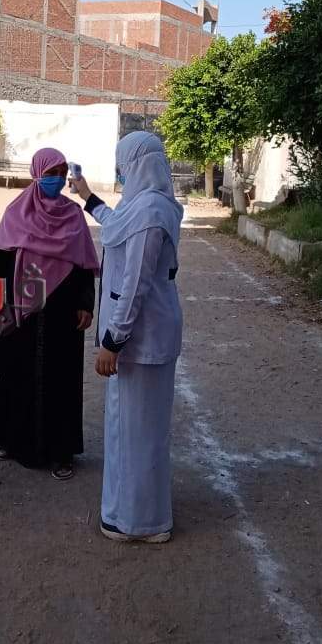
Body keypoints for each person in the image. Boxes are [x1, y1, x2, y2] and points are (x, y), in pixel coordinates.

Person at [72, 131, 183, 543]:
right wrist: (88, 197)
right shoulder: (149, 205)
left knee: (136, 432)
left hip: (140, 340)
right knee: (136, 429)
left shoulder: (150, 212)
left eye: (123, 166)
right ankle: (135, 513)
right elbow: (117, 225)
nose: (121, 174)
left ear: (135, 166)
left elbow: (134, 284)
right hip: (146, 337)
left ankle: (140, 523)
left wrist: (112, 341)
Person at [0, 147, 99, 479]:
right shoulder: (16, 212)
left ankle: (61, 452)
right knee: (17, 375)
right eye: (50, 174)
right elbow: (1, 263)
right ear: (36, 174)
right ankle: (11, 440)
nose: (57, 180)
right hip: (23, 310)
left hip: (63, 311)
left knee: (61, 380)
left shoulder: (73, 215)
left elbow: (83, 264)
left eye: (61, 174)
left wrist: (86, 304)